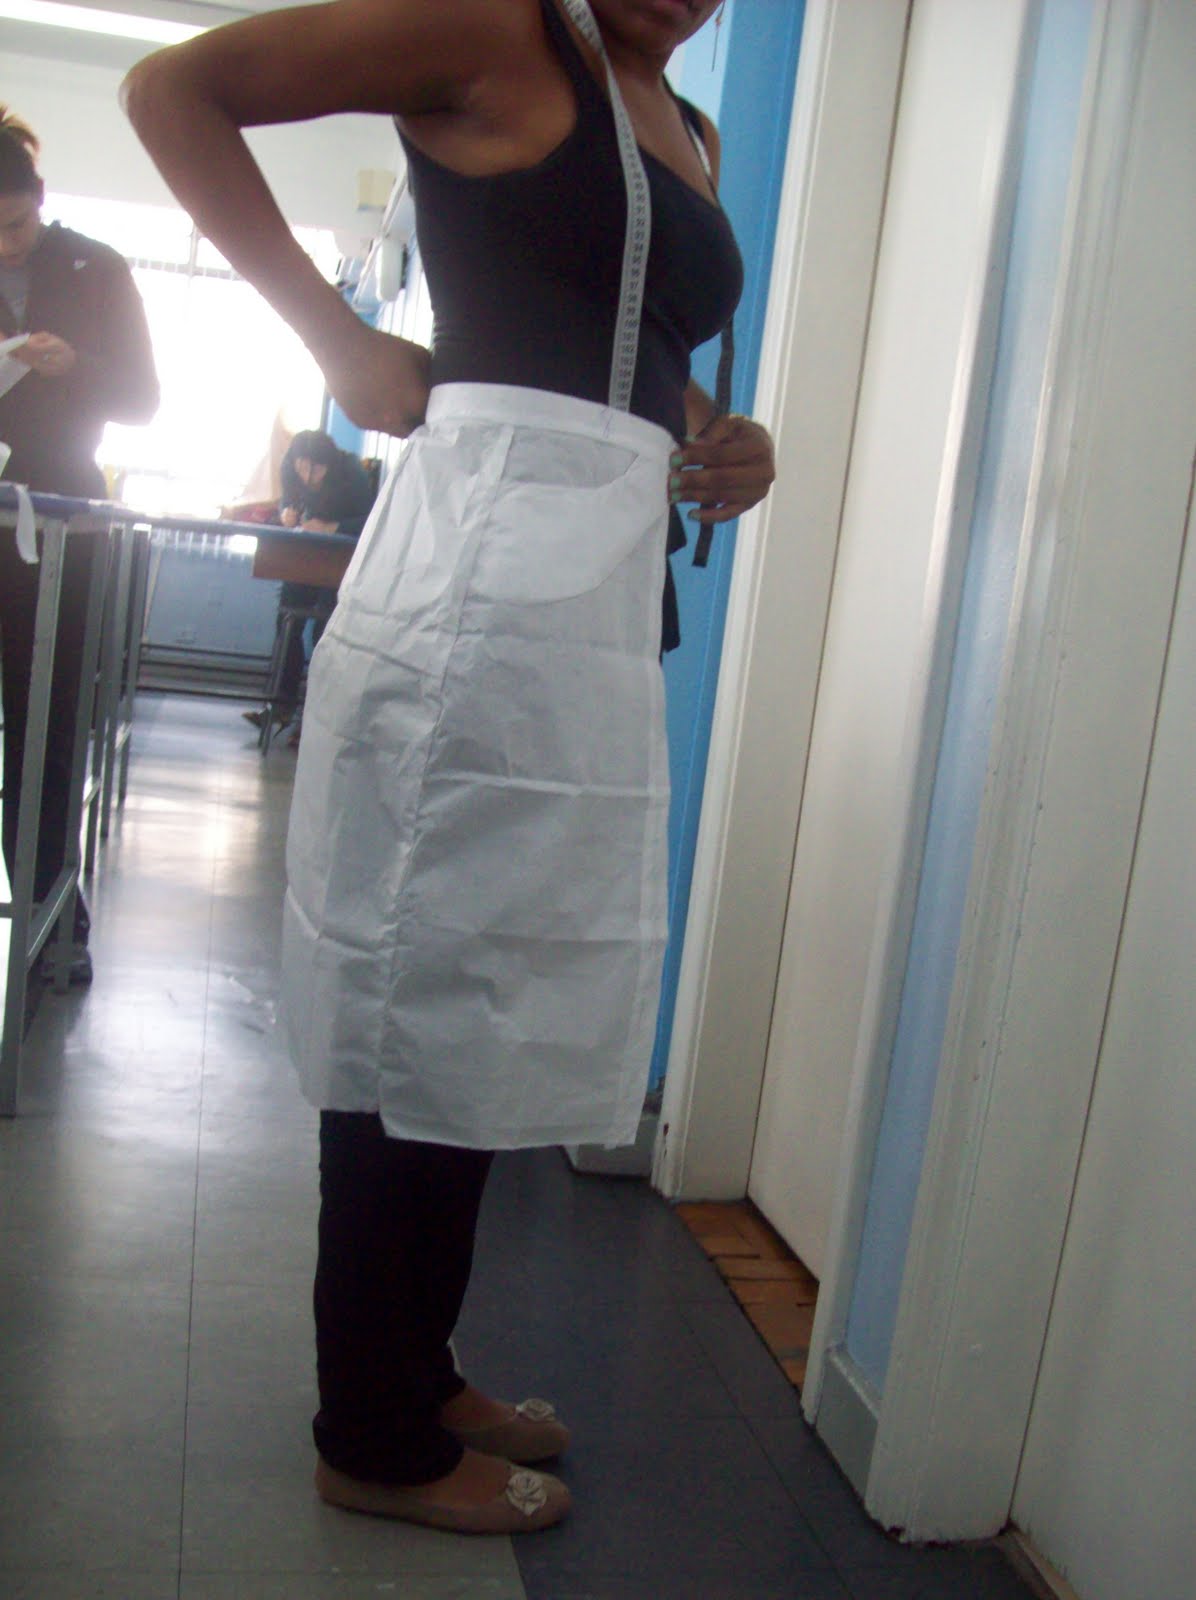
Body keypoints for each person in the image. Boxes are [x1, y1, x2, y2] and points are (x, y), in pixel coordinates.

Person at [124, 0, 775, 1536]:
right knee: (417, 983)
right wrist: (337, 339)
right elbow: (172, 89)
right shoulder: (492, 30)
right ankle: (372, 1434)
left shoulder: (684, 123)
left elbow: (625, 331)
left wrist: (717, 430)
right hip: (477, 582)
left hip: (591, 591)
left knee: (489, 989)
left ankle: (416, 1368)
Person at [0, 108, 159, 985]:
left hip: (58, 522)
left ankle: (53, 918)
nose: (7, 246)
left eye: (18, 225)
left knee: (47, 729)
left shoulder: (96, 268)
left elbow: (142, 400)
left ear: (41, 198)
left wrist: (79, 368)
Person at [242, 428, 376, 737]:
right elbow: (287, 500)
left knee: (325, 632)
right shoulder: (290, 467)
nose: (308, 475)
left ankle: (316, 718)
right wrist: (286, 513)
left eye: (316, 469)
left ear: (330, 463)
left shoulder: (350, 471)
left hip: (340, 561)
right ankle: (279, 708)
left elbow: (371, 519)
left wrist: (333, 527)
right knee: (287, 622)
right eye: (302, 467)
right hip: (303, 556)